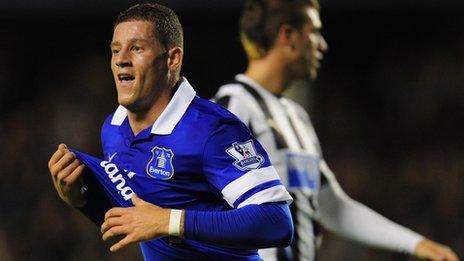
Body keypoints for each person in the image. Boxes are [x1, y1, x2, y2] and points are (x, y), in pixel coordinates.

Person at [213, 0, 459, 260]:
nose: (322, 44)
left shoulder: (296, 117)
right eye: (314, 32)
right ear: (289, 36)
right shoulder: (234, 105)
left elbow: (332, 207)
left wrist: (415, 243)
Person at [47, 3, 295, 260]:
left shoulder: (211, 129)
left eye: (137, 48)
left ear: (172, 58)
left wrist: (168, 221)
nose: (121, 59)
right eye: (115, 50)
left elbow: (276, 221)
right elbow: (138, 222)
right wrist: (80, 199)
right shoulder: (113, 128)